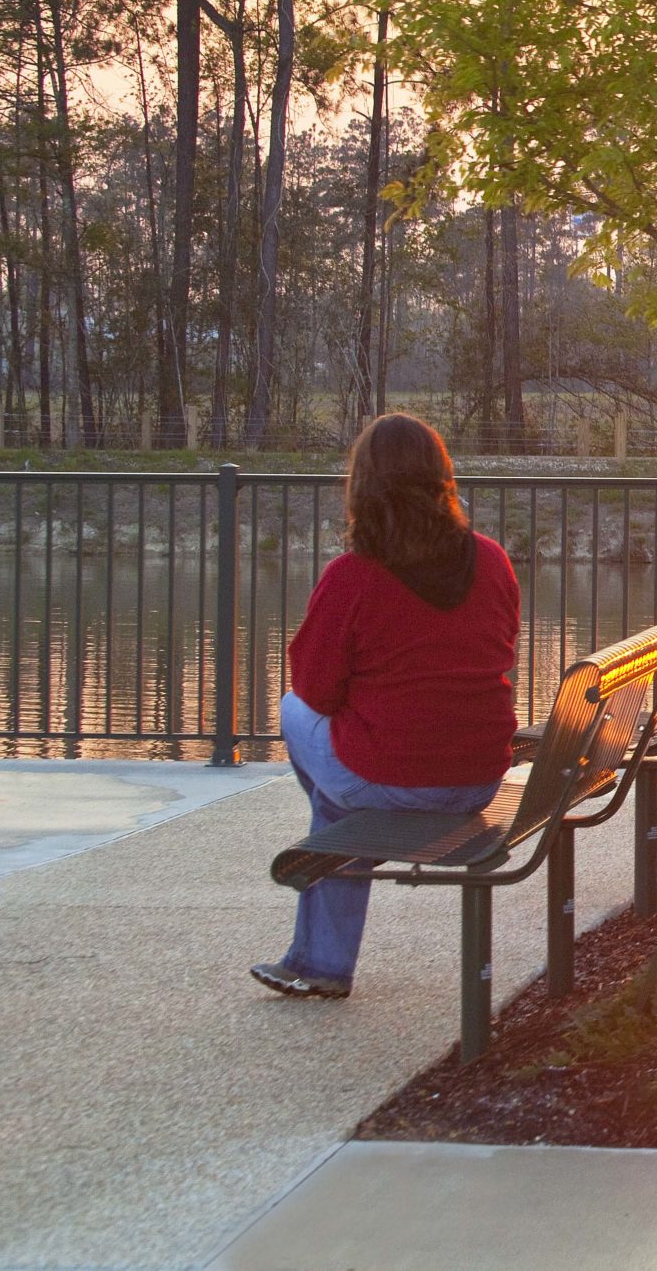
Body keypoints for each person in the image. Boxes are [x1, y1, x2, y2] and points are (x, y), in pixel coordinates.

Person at [254, 413, 521, 999]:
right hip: (477, 777)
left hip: (395, 781)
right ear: (442, 479)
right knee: (338, 801)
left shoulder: (353, 576)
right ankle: (319, 955)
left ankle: (324, 955)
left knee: (292, 712)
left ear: (363, 487)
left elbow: (315, 692)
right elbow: (497, 649)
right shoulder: (493, 561)